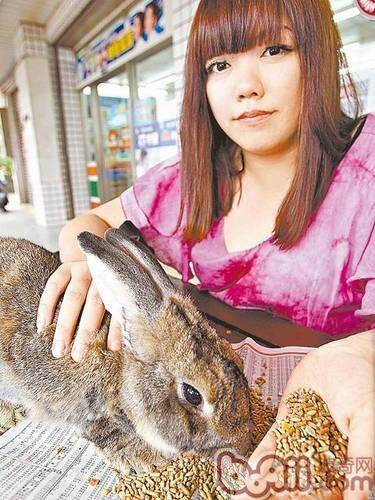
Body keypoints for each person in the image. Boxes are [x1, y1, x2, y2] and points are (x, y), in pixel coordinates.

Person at [37, 1, 374, 497]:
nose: (246, 87)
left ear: (320, 54)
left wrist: (362, 355)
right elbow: (87, 225)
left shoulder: (365, 171)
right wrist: (81, 264)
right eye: (220, 64)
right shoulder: (189, 183)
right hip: (215, 428)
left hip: (344, 417)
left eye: (275, 49)